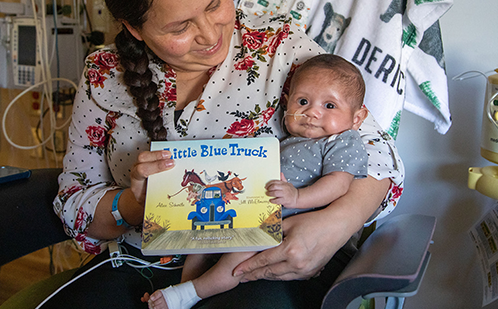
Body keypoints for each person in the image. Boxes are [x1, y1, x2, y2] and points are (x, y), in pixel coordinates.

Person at [46, 0, 404, 309]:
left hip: (254, 261)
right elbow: (75, 202)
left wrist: (335, 225)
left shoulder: (277, 49)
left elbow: (380, 156)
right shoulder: (104, 74)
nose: (211, 34)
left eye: (215, 3)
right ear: (134, 28)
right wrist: (135, 205)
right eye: (180, 27)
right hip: (140, 261)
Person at [145, 54, 369, 309]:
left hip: (285, 228)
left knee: (237, 261)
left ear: (357, 118)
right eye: (303, 101)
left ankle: (191, 294)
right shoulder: (284, 141)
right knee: (201, 240)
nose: (312, 112)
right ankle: (184, 287)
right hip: (253, 212)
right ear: (286, 105)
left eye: (330, 106)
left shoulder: (343, 141)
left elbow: (338, 184)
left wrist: (297, 197)